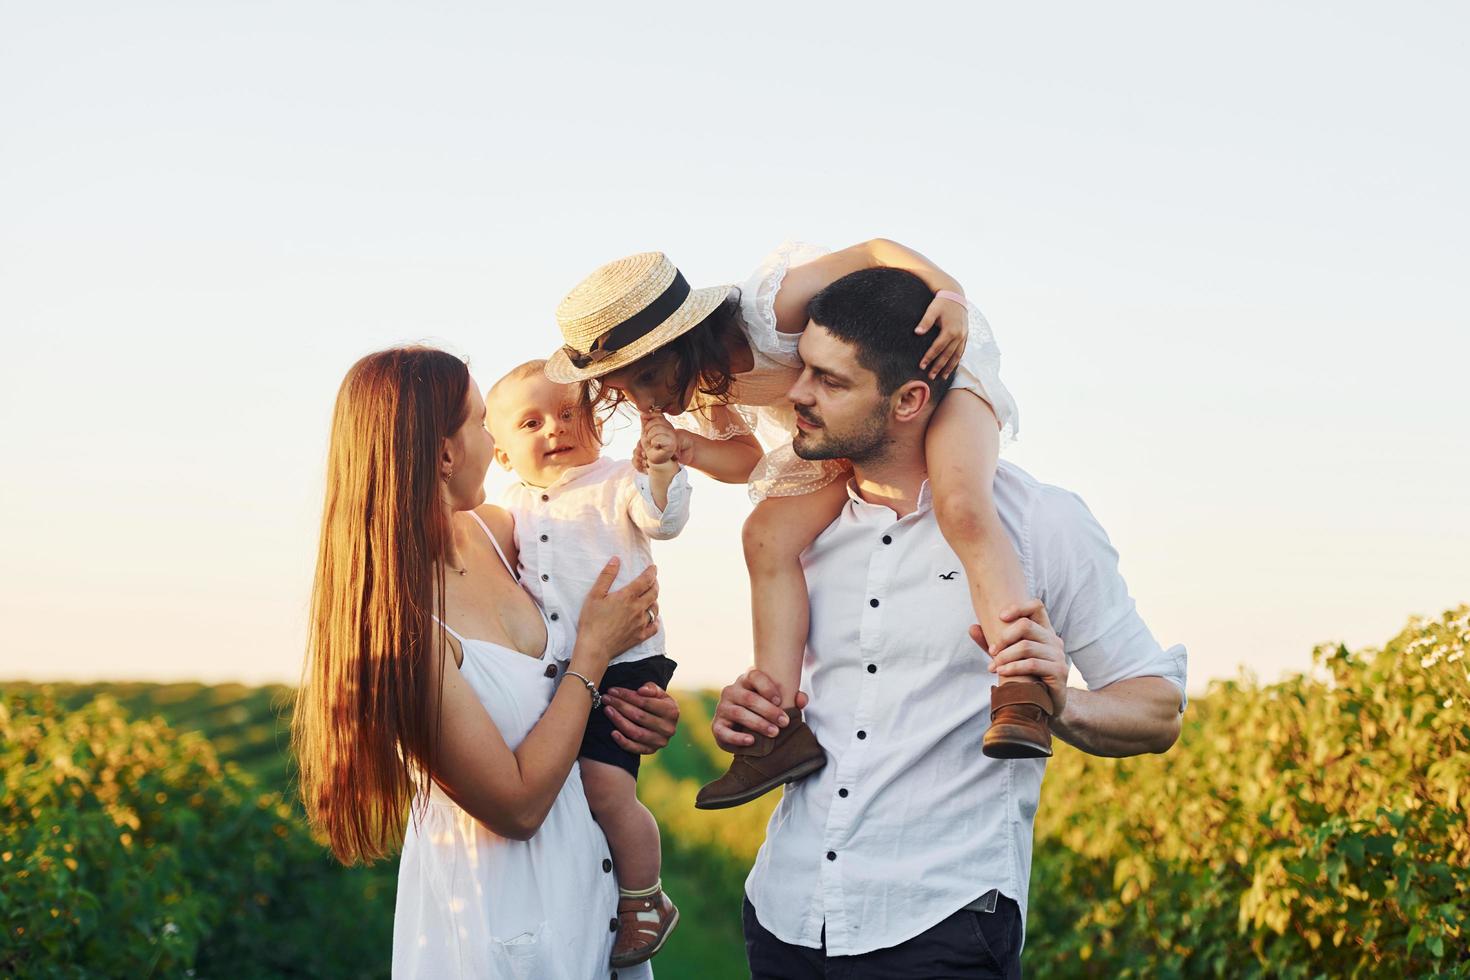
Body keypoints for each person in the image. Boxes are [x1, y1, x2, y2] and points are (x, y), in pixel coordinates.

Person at [708, 269, 1188, 978]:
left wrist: (1064, 703)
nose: (799, 394)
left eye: (830, 382)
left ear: (908, 400)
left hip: (943, 926)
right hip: (787, 916)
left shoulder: (1038, 524)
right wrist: (748, 711)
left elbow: (1159, 711)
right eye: (803, 368)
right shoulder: (799, 529)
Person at [545, 241, 1044, 814]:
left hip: (933, 372)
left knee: (960, 504)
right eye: (626, 390)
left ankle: (1021, 684)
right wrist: (686, 448)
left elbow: (877, 250)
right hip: (845, 429)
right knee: (765, 535)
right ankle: (777, 728)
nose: (647, 399)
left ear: (686, 337)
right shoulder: (703, 381)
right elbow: (746, 458)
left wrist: (949, 294)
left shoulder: (772, 308)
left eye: (651, 376)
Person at [292, 346, 681, 979]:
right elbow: (517, 807)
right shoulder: (395, 629)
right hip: (498, 923)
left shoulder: (503, 535)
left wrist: (634, 707)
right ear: (445, 453)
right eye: (479, 422)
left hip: (591, 894)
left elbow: (589, 569)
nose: (490, 438)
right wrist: (592, 653)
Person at [485, 359, 688, 967]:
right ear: (500, 454)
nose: (557, 428)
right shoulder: (512, 504)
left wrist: (660, 471)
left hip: (625, 664)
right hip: (561, 672)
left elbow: (664, 520)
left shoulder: (612, 480)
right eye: (532, 421)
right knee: (569, 789)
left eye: (572, 411)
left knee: (604, 789)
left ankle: (645, 897)